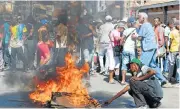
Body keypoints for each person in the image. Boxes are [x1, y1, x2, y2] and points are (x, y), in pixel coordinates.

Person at [132, 12, 169, 87]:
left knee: (141, 64)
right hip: (152, 47)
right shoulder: (148, 25)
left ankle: (138, 80)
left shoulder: (145, 25)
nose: (138, 19)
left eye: (139, 17)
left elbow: (140, 37)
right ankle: (163, 80)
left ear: (143, 18)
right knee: (153, 65)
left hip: (148, 48)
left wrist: (135, 36)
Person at [121, 17, 138, 85]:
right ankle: (134, 79)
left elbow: (122, 39)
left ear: (129, 23)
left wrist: (122, 46)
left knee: (124, 65)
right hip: (132, 50)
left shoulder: (126, 30)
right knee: (133, 65)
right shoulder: (136, 30)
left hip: (125, 50)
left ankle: (123, 80)